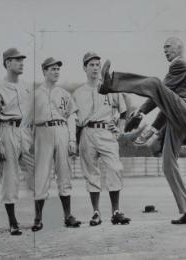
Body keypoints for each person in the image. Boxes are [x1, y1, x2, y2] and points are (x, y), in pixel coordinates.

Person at [98, 37, 186, 224]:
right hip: (178, 117)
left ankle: (112, 82)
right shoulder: (176, 73)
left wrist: (140, 113)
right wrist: (150, 128)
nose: (165, 50)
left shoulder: (180, 65)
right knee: (168, 164)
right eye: (163, 48)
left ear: (179, 48)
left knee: (154, 82)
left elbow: (158, 91)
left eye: (168, 47)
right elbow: (164, 100)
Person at [72, 52, 131, 226]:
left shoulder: (109, 88)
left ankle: (116, 212)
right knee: (92, 174)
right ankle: (96, 212)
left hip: (106, 131)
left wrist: (119, 129)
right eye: (91, 65)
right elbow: (74, 121)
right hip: (87, 132)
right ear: (84, 68)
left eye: (98, 64)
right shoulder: (78, 93)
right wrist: (74, 142)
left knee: (115, 168)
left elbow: (123, 111)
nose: (96, 68)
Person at [0, 48, 34, 235]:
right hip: (6, 129)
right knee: (10, 177)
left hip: (25, 131)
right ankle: (13, 221)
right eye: (17, 60)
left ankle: (38, 216)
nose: (22, 63)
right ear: (7, 63)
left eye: (22, 60)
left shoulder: (27, 86)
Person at [31, 57, 81, 232]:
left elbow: (72, 117)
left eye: (58, 69)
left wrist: (73, 140)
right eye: (52, 69)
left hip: (61, 130)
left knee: (64, 173)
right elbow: (27, 121)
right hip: (42, 131)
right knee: (41, 175)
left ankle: (68, 215)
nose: (56, 72)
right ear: (44, 71)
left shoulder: (64, 93)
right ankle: (38, 218)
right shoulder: (35, 94)